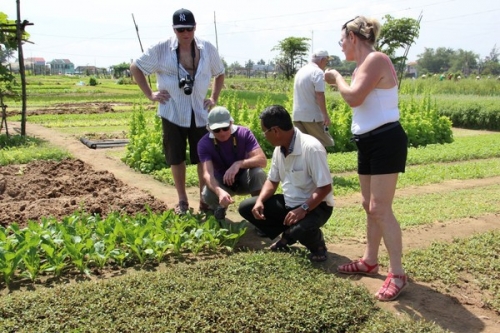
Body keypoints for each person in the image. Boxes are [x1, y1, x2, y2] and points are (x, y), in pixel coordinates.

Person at [324, 16, 409, 301]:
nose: (341, 46)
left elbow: (355, 98)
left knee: (380, 208)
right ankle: (370, 260)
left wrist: (336, 78)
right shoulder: (363, 66)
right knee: (368, 205)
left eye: (341, 41)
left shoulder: (376, 59)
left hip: (386, 140)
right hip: (369, 142)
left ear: (352, 36)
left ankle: (397, 273)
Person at [130, 8, 225, 215]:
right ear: (174, 30)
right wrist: (150, 94)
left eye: (189, 28)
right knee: (176, 157)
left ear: (195, 28)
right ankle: (182, 200)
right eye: (180, 29)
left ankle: (204, 199)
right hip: (172, 112)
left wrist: (214, 98)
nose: (185, 33)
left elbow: (220, 72)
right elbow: (135, 67)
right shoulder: (161, 49)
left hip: (199, 113)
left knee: (203, 158)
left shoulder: (207, 48)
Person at [238, 105, 334, 262]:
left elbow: (325, 187)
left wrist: (303, 209)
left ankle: (317, 246)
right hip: (290, 204)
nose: (264, 136)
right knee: (247, 207)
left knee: (303, 229)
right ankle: (290, 232)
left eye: (265, 131)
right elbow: (272, 180)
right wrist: (260, 201)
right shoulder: (279, 150)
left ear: (275, 131)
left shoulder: (311, 148)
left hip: (316, 206)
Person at [198, 106, 267, 221]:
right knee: (207, 193)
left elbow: (262, 160)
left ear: (231, 123)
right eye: (216, 130)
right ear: (209, 128)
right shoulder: (204, 143)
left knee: (258, 173)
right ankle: (219, 210)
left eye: (225, 128)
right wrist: (219, 191)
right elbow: (207, 174)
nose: (222, 133)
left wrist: (238, 164)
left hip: (245, 179)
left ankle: (258, 211)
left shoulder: (244, 133)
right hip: (222, 182)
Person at [293, 50, 335, 147]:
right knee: (325, 143)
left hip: (298, 115)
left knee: (304, 146)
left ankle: (307, 163)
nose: (326, 64)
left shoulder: (301, 71)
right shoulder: (318, 72)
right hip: (313, 117)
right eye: (326, 61)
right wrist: (325, 115)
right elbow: (319, 95)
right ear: (322, 60)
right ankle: (319, 162)